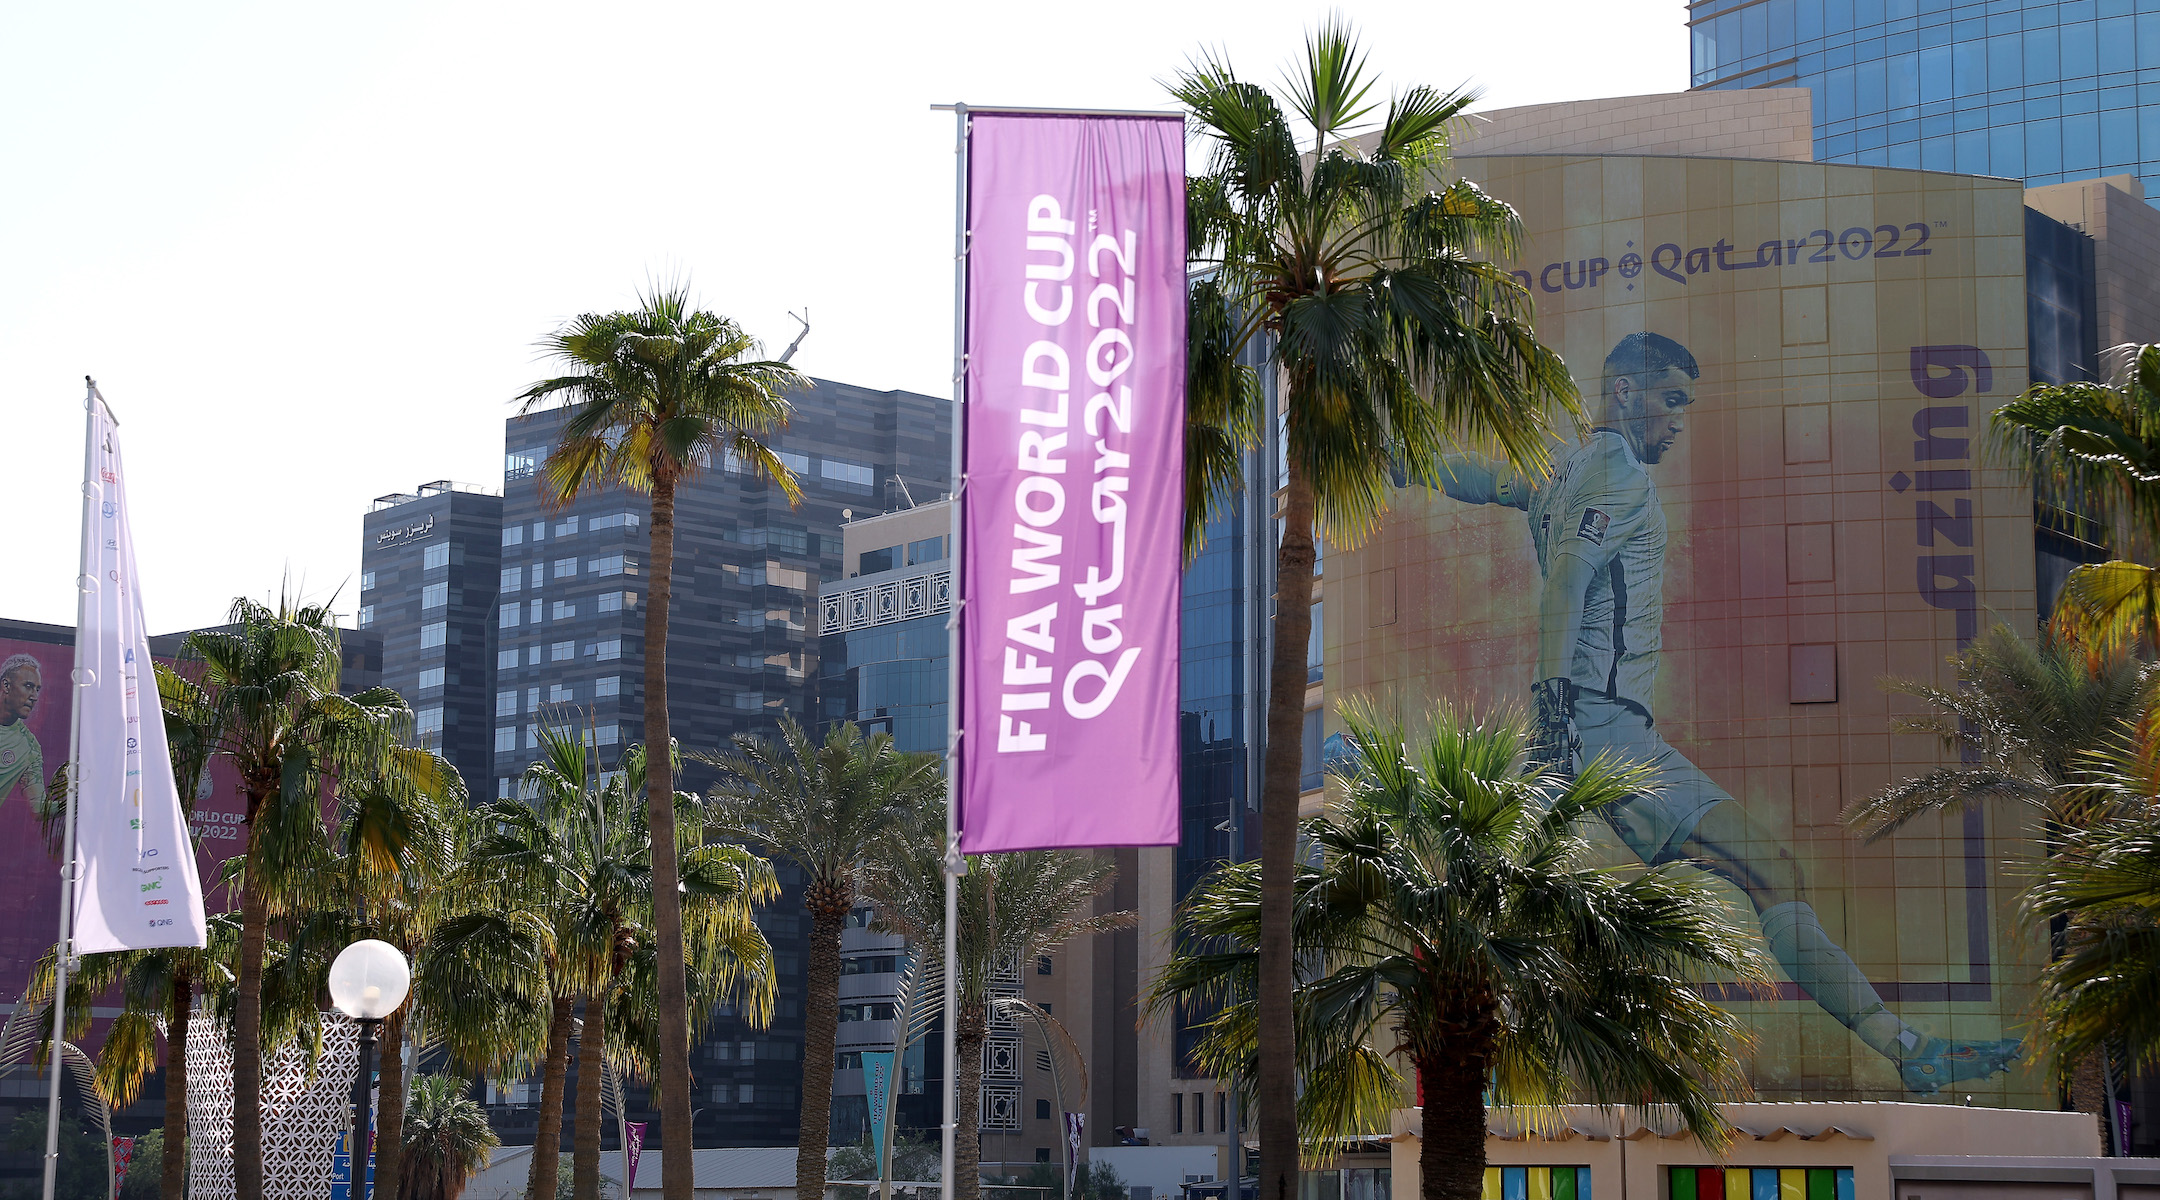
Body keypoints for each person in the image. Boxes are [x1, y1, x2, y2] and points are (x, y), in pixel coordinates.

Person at [1427, 331, 2018, 1095]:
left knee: (1545, 897)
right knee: (1773, 874)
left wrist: (1401, 461)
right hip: (1604, 731)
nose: (1679, 421)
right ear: (1627, 394)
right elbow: (1568, 581)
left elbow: (1486, 480)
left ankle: (1908, 1050)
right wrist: (1554, 710)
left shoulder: (1561, 467)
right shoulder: (1619, 478)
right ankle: (1909, 1052)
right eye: (1672, 401)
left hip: (1600, 730)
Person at [0, 654, 47, 812]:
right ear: (6, 686)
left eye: (37, 689)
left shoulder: (29, 748)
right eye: (28, 686)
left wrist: (79, 800)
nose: (34, 697)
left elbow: (40, 808)